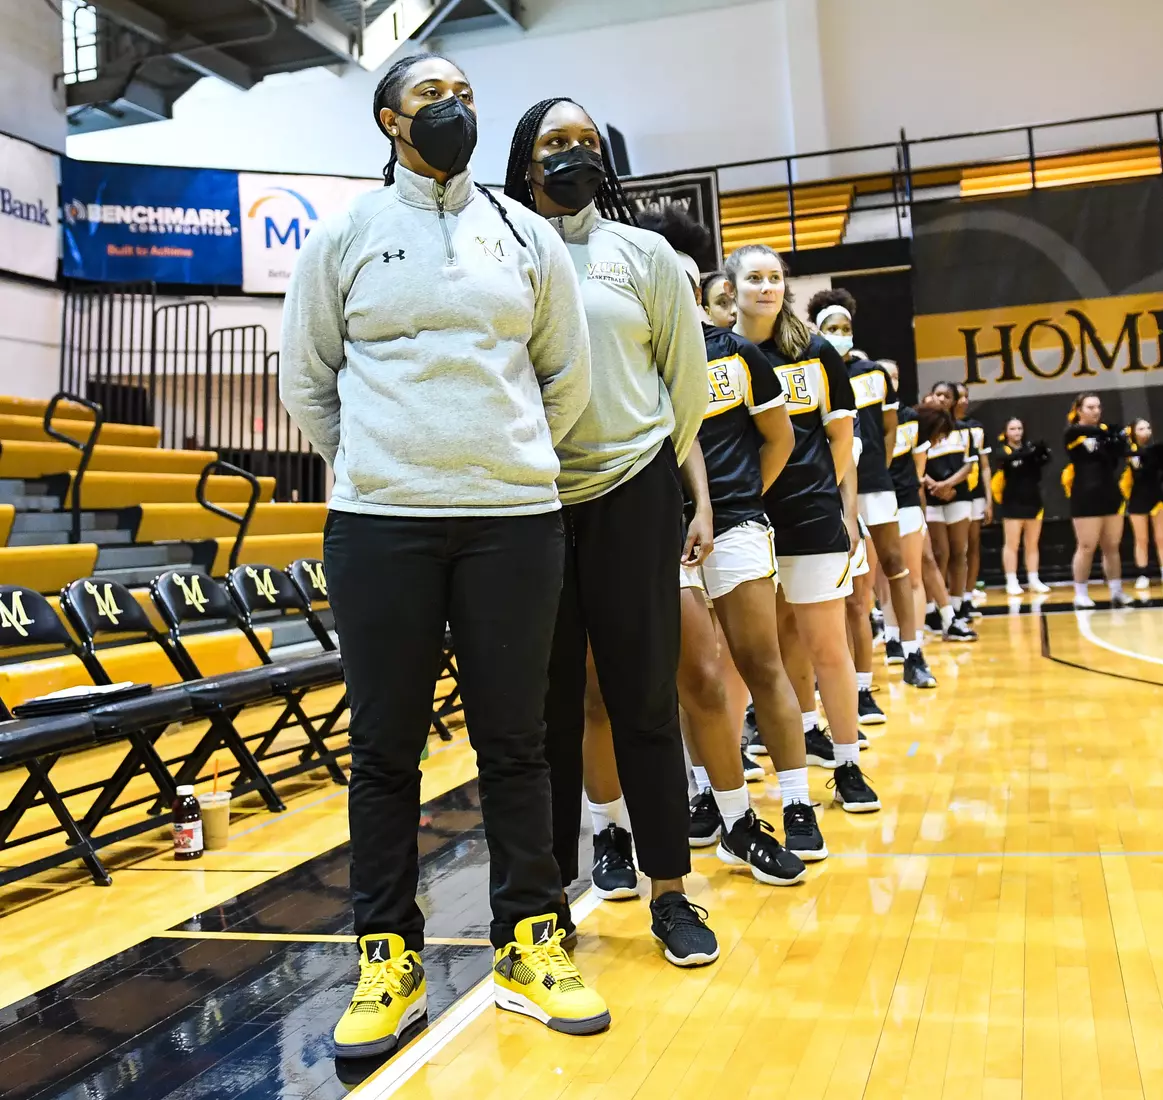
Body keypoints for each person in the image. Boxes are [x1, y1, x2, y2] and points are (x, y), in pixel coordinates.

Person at [281, 54, 606, 1052]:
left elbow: (566, 378)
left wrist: (499, 460)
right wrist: (388, 468)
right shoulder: (342, 236)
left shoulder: (524, 233)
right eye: (432, 97)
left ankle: (530, 937)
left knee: (517, 739)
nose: (454, 109)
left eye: (464, 93)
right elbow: (309, 382)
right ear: (390, 121)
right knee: (385, 750)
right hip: (384, 525)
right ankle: (387, 951)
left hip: (513, 520)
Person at [503, 97, 717, 968]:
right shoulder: (500, 253)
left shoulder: (646, 256)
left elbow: (687, 382)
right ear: (525, 161)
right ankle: (548, 904)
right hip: (527, 503)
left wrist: (648, 471)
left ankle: (671, 891)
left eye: (587, 142)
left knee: (644, 701)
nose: (574, 154)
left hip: (631, 494)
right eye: (556, 143)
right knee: (547, 711)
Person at [583, 206, 806, 889]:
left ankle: (739, 818)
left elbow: (691, 441)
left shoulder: (701, 357)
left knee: (705, 678)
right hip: (578, 512)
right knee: (596, 696)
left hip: (668, 524)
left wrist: (708, 506)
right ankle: (610, 836)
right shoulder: (591, 336)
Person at [728, 243, 881, 815]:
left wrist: (818, 494)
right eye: (754, 278)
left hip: (810, 517)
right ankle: (731, 783)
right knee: (753, 652)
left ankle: (847, 764)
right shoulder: (724, 353)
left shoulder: (816, 353)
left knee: (827, 647)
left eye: (775, 277)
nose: (767, 287)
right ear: (733, 288)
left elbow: (841, 441)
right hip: (744, 520)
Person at [809, 291, 927, 715]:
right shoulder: (813, 370)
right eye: (831, 329)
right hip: (833, 488)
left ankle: (912, 651)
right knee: (854, 591)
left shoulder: (875, 373)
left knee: (896, 564)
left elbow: (890, 428)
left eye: (846, 329)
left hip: (876, 482)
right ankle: (853, 683)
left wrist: (879, 465)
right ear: (817, 330)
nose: (840, 335)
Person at [880, 362, 940, 687]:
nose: (891, 380)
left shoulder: (911, 418)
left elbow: (918, 470)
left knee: (911, 577)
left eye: (896, 375)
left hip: (904, 504)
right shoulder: (861, 415)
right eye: (885, 375)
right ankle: (890, 638)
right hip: (870, 503)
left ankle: (912, 649)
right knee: (878, 581)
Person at [1062, 392, 1129, 608]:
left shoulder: (1104, 431)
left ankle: (1116, 591)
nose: (1096, 411)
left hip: (1110, 493)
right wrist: (1108, 436)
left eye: (1098, 407)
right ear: (1079, 410)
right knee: (1087, 545)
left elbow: (1117, 456)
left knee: (1112, 546)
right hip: (1085, 495)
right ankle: (1080, 592)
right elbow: (1086, 441)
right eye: (1090, 407)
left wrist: (1119, 441)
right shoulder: (1073, 433)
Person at [922, 382, 978, 637]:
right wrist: (934, 486)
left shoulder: (965, 430)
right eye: (938, 394)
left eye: (947, 395)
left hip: (959, 494)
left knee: (959, 551)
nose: (942, 399)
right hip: (931, 496)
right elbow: (916, 464)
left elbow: (970, 465)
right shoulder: (923, 428)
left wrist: (948, 484)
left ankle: (957, 605)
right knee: (938, 552)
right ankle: (932, 608)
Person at [991, 417, 1052, 596]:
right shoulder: (1003, 450)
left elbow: (1044, 460)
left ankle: (1033, 578)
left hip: (1033, 501)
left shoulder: (1030, 449)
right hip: (1012, 502)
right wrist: (1030, 452)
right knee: (1012, 543)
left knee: (1032, 543)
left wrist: (1042, 452)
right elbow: (1007, 459)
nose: (1017, 432)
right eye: (1012, 429)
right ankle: (1011, 580)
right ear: (1005, 432)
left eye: (1019, 428)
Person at [1122, 418, 1163, 593]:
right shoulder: (1128, 451)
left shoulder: (1157, 450)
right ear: (1133, 432)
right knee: (1141, 539)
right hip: (1138, 497)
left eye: (1148, 427)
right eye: (1141, 428)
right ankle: (1143, 574)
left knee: (1161, 538)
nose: (1146, 431)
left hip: (1157, 496)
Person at [954, 384, 992, 617]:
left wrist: (989, 499)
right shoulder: (940, 426)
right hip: (948, 494)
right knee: (951, 549)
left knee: (972, 544)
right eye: (959, 397)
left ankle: (967, 595)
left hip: (974, 491)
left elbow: (985, 466)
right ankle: (952, 596)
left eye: (966, 397)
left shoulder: (975, 427)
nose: (964, 401)